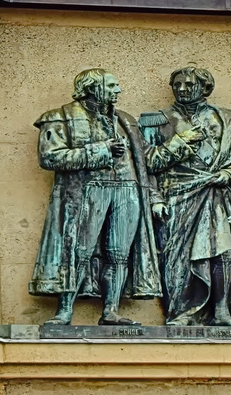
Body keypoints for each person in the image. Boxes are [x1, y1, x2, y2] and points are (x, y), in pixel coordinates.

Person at [31, 69, 163, 325]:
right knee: (79, 251)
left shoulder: (125, 120)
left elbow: (149, 160)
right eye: (112, 85)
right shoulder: (60, 117)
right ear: (92, 87)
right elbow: (49, 157)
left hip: (127, 189)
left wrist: (183, 142)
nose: (118, 91)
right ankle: (65, 310)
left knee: (119, 254)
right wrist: (100, 150)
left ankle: (111, 310)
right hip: (89, 190)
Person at [144, 65, 231, 325]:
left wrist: (229, 175)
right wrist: (180, 144)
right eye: (177, 85)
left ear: (205, 88)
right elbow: (146, 165)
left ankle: (222, 312)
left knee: (224, 252)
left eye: (189, 85)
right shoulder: (156, 120)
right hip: (177, 198)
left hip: (218, 195)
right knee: (178, 257)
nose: (182, 89)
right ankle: (181, 312)